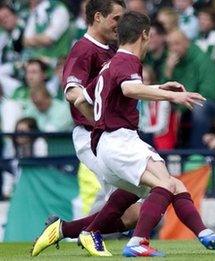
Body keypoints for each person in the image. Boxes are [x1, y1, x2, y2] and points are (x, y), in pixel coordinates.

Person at [77, 11, 215, 257]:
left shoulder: (109, 65)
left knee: (174, 183)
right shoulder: (128, 61)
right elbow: (130, 88)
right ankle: (136, 241)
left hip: (108, 144)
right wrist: (172, 95)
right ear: (144, 34)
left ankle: (206, 235)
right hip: (120, 140)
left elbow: (81, 99)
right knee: (164, 185)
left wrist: (102, 122)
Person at [31, 0, 134, 257]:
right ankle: (130, 242)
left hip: (110, 134)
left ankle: (67, 230)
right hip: (93, 136)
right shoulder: (83, 49)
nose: (120, 26)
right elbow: (72, 91)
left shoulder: (111, 51)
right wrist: (98, 120)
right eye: (116, 19)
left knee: (128, 208)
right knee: (138, 195)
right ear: (98, 17)